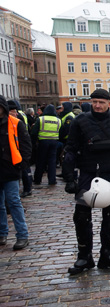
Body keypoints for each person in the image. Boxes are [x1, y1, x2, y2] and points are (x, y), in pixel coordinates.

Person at [62, 89, 110, 274]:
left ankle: (108, 254)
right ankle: (84, 256)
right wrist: (69, 178)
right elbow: (70, 149)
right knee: (81, 217)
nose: (97, 105)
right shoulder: (80, 121)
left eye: (101, 102)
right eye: (94, 101)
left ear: (109, 104)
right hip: (87, 173)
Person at [0, 95, 32, 250]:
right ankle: (2, 233)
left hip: (10, 169)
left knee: (13, 202)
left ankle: (22, 235)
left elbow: (26, 145)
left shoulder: (15, 123)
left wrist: (22, 165)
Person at [30, 104, 61, 185]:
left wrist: (34, 142)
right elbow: (60, 131)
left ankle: (37, 179)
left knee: (40, 161)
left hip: (43, 142)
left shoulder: (41, 119)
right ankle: (52, 180)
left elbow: (34, 133)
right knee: (52, 161)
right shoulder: (58, 120)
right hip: (54, 142)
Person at [7, 101, 33, 197]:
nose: (16, 113)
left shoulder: (18, 120)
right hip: (14, 154)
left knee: (24, 172)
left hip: (19, 153)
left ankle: (27, 189)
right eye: (14, 111)